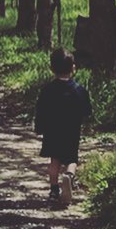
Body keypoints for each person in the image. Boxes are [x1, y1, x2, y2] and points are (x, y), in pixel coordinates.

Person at [34, 46, 91, 207]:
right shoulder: (80, 90)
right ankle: (69, 176)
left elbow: (41, 110)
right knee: (71, 159)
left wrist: (39, 127)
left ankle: (53, 190)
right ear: (73, 68)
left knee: (54, 161)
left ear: (51, 68)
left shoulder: (47, 90)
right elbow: (87, 111)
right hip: (71, 131)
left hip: (52, 131)